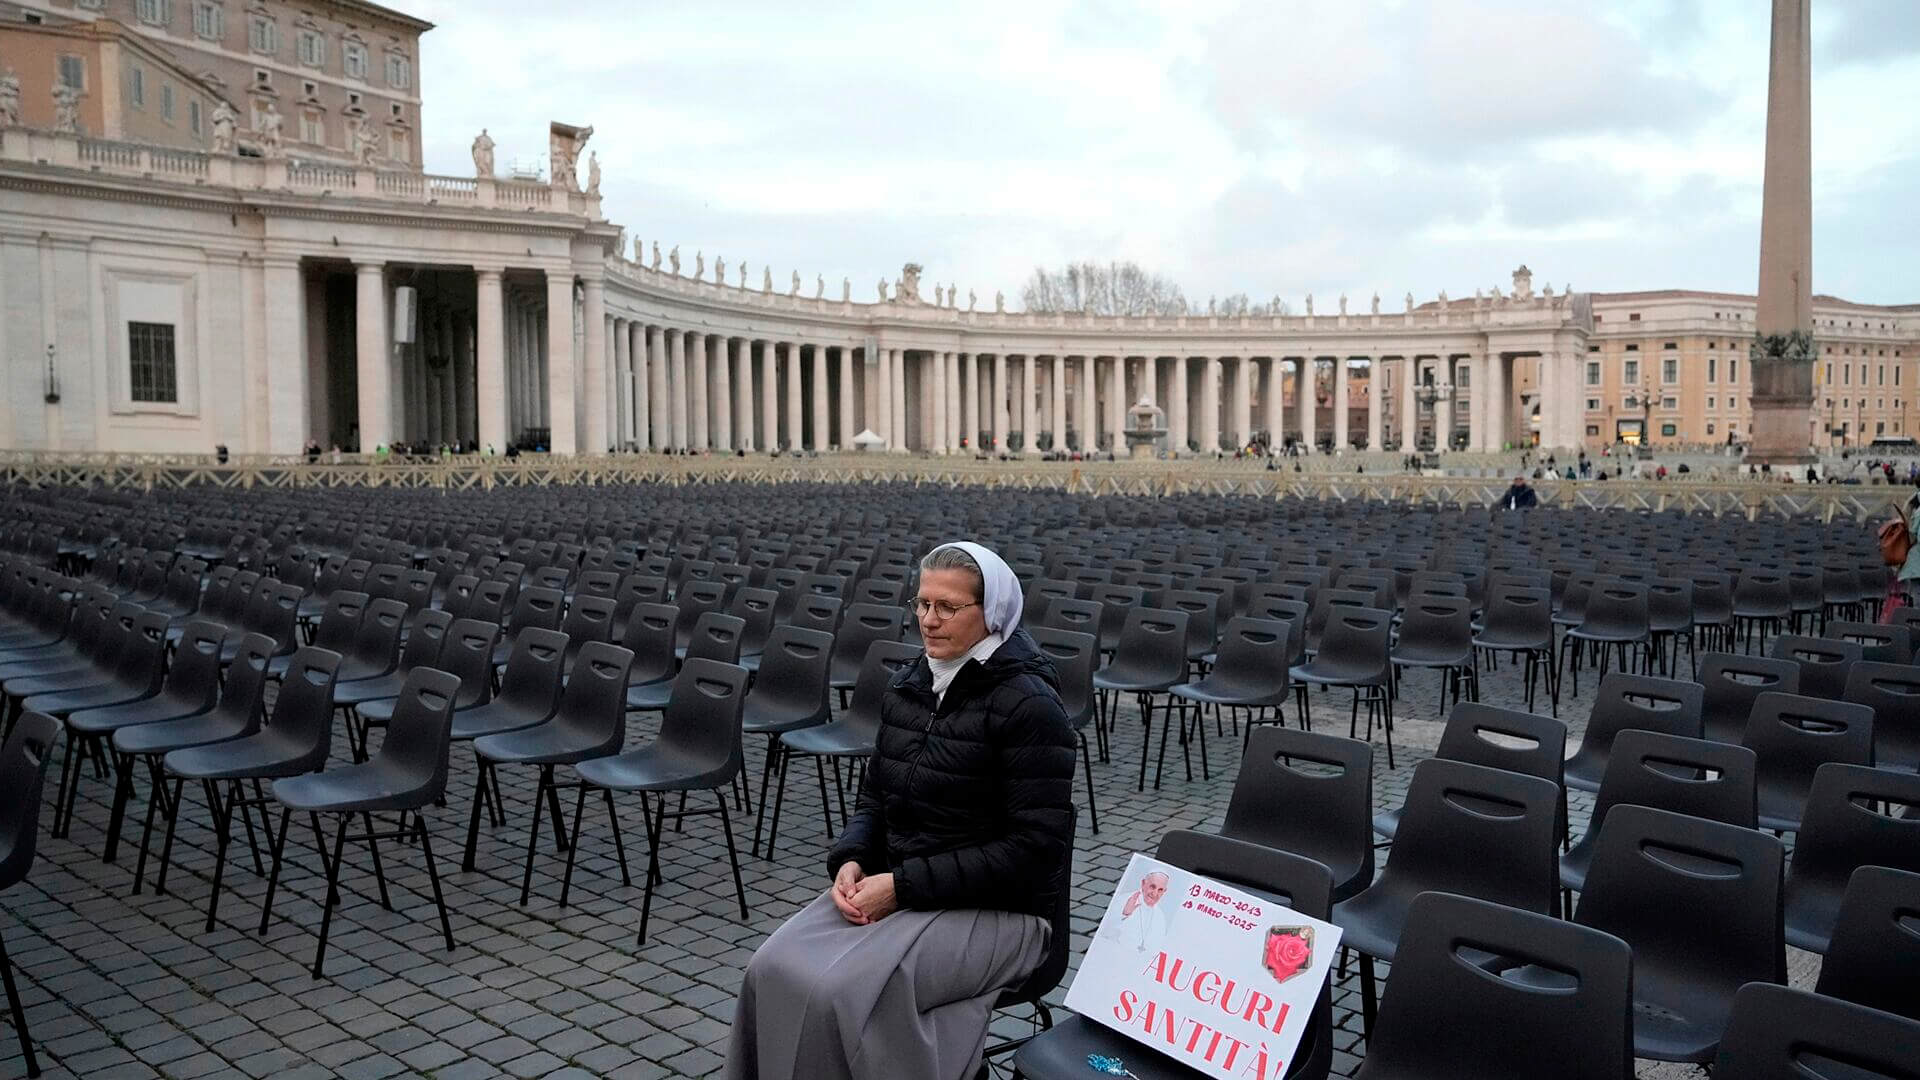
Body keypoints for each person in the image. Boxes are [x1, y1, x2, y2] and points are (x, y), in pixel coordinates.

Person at [727, 542, 1074, 1080]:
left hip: (1004, 914)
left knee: (838, 995)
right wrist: (852, 857)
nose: (928, 621)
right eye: (922, 604)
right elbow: (877, 796)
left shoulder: (1029, 706)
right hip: (905, 883)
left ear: (993, 613)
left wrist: (902, 887)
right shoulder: (909, 684)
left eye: (948, 608)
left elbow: (1032, 852)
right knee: (768, 969)